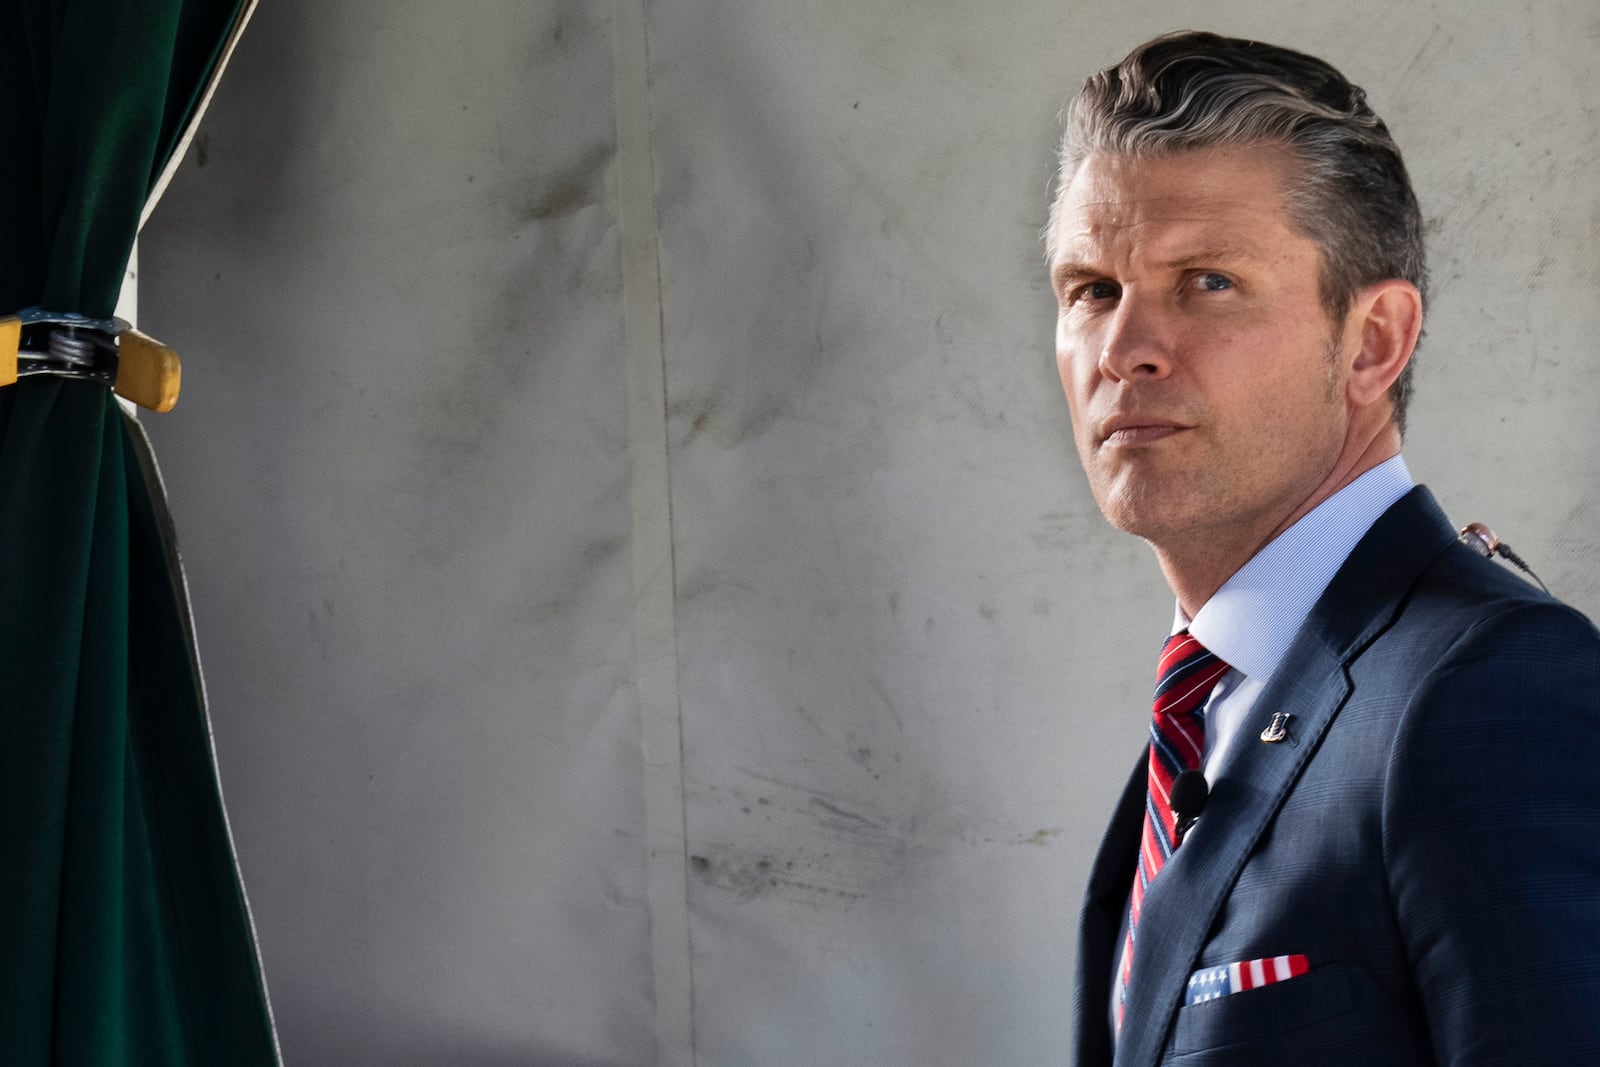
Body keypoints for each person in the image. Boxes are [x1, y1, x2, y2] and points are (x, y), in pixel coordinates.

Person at [1047, 30, 1600, 1066]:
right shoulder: (1203, 717)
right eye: (1092, 289)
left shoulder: (1489, 687)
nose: (1125, 350)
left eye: (1206, 281)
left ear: (1373, 340)